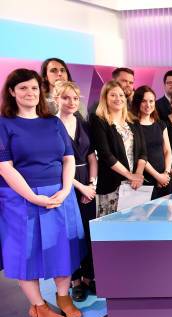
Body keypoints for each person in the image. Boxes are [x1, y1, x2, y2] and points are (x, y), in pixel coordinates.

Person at [0, 68, 84, 317]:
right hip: (20, 197)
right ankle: (37, 306)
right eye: (23, 88)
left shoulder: (53, 122)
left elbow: (68, 158)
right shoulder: (4, 124)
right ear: (12, 92)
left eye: (34, 87)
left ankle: (63, 297)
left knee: (63, 247)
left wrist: (66, 189)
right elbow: (5, 167)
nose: (30, 93)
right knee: (26, 252)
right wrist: (33, 198)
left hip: (60, 193)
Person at [54, 81, 98, 302]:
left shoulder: (82, 122)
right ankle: (76, 281)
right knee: (70, 234)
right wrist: (80, 187)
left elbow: (92, 157)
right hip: (65, 184)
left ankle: (90, 277)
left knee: (88, 232)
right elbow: (58, 165)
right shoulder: (51, 125)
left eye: (74, 98)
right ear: (56, 99)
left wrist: (92, 185)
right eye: (66, 98)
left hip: (87, 184)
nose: (71, 102)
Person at [90, 81, 147, 216]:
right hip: (111, 185)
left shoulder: (133, 121)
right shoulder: (99, 120)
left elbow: (143, 152)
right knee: (111, 230)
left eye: (121, 95)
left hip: (134, 186)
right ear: (105, 98)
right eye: (113, 95)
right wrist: (129, 176)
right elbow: (106, 155)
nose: (118, 98)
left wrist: (138, 175)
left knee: (133, 225)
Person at [131, 86, 172, 199]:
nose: (148, 105)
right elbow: (140, 155)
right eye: (144, 101)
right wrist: (157, 177)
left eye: (151, 101)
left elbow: (167, 150)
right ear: (137, 102)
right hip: (146, 180)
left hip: (166, 178)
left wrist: (166, 173)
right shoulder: (132, 126)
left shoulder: (160, 124)